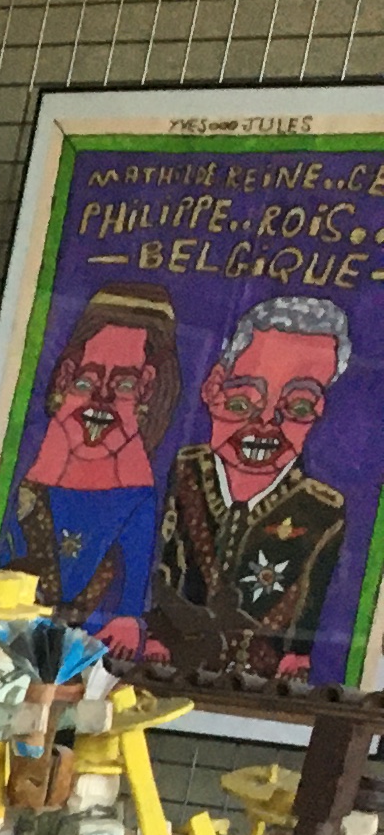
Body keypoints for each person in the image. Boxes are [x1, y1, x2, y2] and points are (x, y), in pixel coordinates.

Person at [151, 292, 354, 687]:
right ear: (214, 388)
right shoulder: (183, 470)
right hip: (171, 666)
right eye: (244, 401)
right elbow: (164, 563)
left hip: (255, 681)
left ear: (318, 411)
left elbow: (311, 598)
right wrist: (156, 635)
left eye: (296, 407)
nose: (265, 422)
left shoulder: (320, 509)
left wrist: (295, 656)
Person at [4, 281, 177, 646]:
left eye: (124, 386)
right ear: (66, 376)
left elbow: (129, 609)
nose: (102, 399)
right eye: (87, 381)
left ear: (148, 389)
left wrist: (125, 626)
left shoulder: (136, 498)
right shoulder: (30, 478)